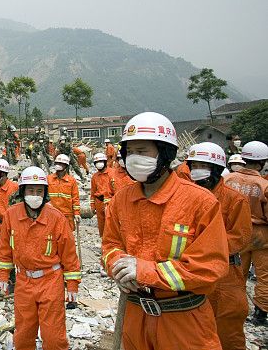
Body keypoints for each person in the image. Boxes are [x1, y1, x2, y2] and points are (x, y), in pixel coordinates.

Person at [102, 112, 229, 350]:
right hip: (136, 314)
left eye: (142, 151)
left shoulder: (199, 202)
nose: (134, 159)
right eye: (129, 152)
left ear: (166, 153)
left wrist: (145, 271)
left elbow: (210, 267)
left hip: (183, 319)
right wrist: (119, 268)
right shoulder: (122, 199)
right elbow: (110, 246)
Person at [0, 166, 81, 350]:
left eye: (39, 191)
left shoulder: (56, 218)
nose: (35, 195)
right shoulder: (11, 215)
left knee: (53, 336)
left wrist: (73, 284)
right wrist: (3, 274)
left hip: (50, 282)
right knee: (23, 334)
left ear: (45, 193)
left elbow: (69, 253)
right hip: (23, 281)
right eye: (31, 190)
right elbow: (5, 249)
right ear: (23, 191)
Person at [186, 142, 252, 350]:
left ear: (215, 168)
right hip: (193, 271)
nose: (197, 171)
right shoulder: (187, 197)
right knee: (194, 329)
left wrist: (206, 246)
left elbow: (240, 237)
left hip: (225, 274)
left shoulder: (234, 200)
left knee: (227, 329)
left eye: (202, 166)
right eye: (193, 165)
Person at [224, 140, 268, 325]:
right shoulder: (263, 185)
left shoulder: (227, 180)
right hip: (261, 236)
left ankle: (234, 310)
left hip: (236, 233)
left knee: (235, 275)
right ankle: (260, 314)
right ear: (261, 163)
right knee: (264, 276)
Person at [47, 154, 80, 231]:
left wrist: (77, 213)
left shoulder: (71, 181)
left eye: (61, 164)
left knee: (67, 236)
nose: (58, 165)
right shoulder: (49, 179)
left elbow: (75, 198)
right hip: (51, 213)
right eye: (57, 163)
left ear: (66, 166)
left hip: (67, 214)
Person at [90, 152, 113, 240]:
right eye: (97, 162)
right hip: (99, 202)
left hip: (110, 202)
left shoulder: (112, 173)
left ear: (105, 162)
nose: (99, 164)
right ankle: (104, 242)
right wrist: (92, 206)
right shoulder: (95, 176)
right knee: (101, 224)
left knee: (111, 224)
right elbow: (93, 192)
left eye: (101, 161)